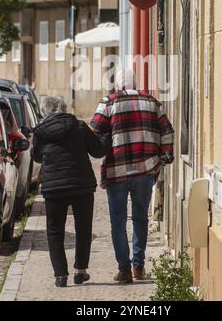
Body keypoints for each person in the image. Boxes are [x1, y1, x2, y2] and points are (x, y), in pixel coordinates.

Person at [90, 69, 174, 284]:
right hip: (145, 170)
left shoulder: (108, 103)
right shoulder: (152, 102)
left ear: (118, 86)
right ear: (135, 83)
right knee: (140, 218)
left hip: (116, 171)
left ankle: (124, 270)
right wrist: (163, 159)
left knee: (118, 222)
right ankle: (139, 266)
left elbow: (93, 131)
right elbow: (167, 131)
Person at [32, 96, 110, 288]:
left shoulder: (40, 132)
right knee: (83, 229)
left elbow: (36, 157)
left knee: (54, 231)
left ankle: (60, 275)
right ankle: (80, 271)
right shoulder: (79, 126)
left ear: (44, 112)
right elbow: (98, 151)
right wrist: (107, 135)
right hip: (81, 185)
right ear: (64, 108)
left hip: (53, 187)